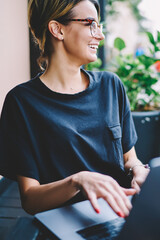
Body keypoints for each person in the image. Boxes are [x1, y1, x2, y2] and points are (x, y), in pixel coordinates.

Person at [0, 0, 149, 218]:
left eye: (100, 26)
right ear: (57, 29)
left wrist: (138, 170)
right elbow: (30, 199)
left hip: (122, 216)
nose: (100, 35)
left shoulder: (111, 85)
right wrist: (77, 181)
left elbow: (130, 159)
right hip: (65, 225)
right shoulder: (22, 102)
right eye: (91, 24)